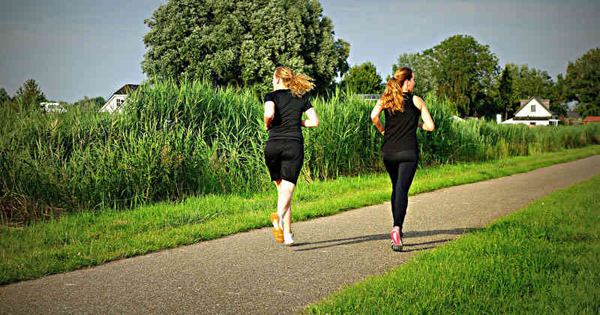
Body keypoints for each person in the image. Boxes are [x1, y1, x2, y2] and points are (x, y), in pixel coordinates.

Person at [370, 67, 435, 251]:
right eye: (413, 80)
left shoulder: (387, 99)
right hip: (408, 153)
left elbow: (373, 116)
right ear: (407, 81)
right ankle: (397, 228)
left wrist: (382, 130)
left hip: (388, 152)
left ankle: (396, 228)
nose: (414, 83)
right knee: (402, 190)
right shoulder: (417, 100)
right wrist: (417, 123)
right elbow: (430, 126)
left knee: (395, 188)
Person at [264, 66, 319, 246]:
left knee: (282, 193)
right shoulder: (301, 98)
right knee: (288, 190)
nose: (273, 81)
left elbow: (269, 113)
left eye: (273, 78)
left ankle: (287, 235)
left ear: (278, 79)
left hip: (273, 146)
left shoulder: (270, 96)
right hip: (293, 145)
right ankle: (278, 218)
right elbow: (314, 122)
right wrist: (299, 122)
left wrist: (267, 124)